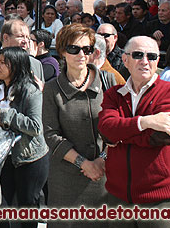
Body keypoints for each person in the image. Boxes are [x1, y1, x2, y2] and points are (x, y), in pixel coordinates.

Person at [98, 36, 170, 228]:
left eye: (152, 56)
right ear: (126, 60)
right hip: (117, 196)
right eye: (138, 55)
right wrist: (145, 122)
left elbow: (160, 137)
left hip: (158, 199)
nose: (145, 61)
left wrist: (120, 135)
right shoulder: (113, 94)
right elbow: (106, 129)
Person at [43, 24, 116, 226]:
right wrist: (84, 164)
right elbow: (50, 134)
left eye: (87, 49)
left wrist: (101, 160)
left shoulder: (108, 81)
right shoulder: (52, 89)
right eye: (74, 49)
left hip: (104, 176)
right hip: (65, 181)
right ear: (62, 51)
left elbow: (118, 125)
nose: (81, 54)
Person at [0, 47, 48, 228]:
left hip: (29, 157)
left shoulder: (31, 91)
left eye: (3, 63)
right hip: (1, 155)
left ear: (16, 66)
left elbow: (36, 126)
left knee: (27, 205)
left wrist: (7, 116)